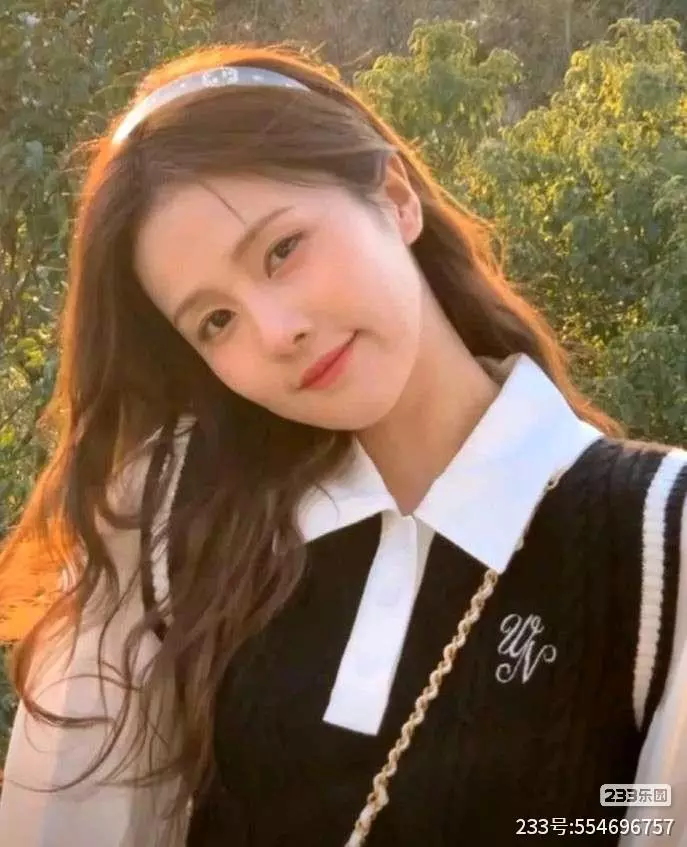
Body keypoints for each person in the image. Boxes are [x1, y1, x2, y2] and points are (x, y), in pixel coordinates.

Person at [0, 43, 686, 847]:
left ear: (393, 197)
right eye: (215, 320)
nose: (276, 332)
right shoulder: (169, 515)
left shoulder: (655, 545)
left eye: (282, 249)